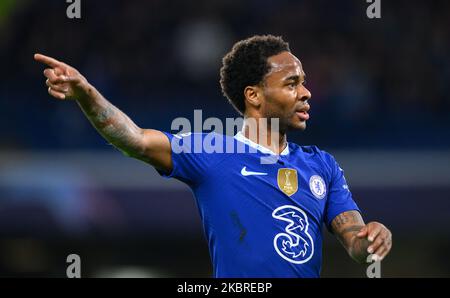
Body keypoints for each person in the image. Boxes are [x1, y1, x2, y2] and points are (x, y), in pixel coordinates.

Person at [34, 35, 392, 277]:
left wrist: (370, 239)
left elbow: (355, 240)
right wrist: (86, 93)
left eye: (303, 82)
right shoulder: (212, 153)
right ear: (254, 96)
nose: (307, 92)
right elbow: (136, 140)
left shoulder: (322, 165)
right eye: (292, 83)